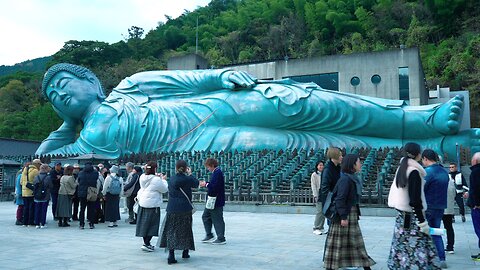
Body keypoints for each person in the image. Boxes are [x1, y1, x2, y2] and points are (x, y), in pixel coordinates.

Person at [36, 64, 479, 160]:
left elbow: (192, 80)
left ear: (91, 80)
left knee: (305, 102)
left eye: (62, 84)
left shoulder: (131, 86)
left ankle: (415, 117)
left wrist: (223, 75)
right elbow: (45, 154)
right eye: (51, 95)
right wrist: (69, 119)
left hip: (218, 104)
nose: (58, 93)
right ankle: (436, 144)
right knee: (303, 144)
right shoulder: (81, 138)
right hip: (205, 142)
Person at [387, 142, 441, 269]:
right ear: (418, 154)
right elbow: (415, 199)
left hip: (402, 217)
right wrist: (422, 221)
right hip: (411, 218)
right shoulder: (414, 172)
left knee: (402, 247)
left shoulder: (402, 168)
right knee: (414, 249)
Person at [323, 154, 375, 270]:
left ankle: (365, 266)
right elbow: (340, 199)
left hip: (349, 213)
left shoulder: (351, 178)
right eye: (358, 162)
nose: (360, 164)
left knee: (353, 242)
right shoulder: (346, 180)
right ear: (352, 165)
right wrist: (343, 217)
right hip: (345, 214)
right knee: (341, 243)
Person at [160, 160, 199, 264]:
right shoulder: (187, 179)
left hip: (172, 208)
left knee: (171, 231)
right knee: (186, 230)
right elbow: (196, 184)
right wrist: (190, 174)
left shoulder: (172, 178)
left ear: (176, 168)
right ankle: (185, 252)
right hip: (185, 208)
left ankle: (171, 255)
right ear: (186, 168)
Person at [422, 149, 449, 268]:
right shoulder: (444, 171)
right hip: (440, 206)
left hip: (428, 206)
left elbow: (421, 189)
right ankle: (441, 258)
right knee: (436, 232)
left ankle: (426, 259)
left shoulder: (427, 172)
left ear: (425, 159)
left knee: (425, 233)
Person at [135, 161, 168, 252]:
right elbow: (164, 189)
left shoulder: (142, 177)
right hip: (152, 204)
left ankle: (146, 243)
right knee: (152, 225)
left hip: (143, 202)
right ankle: (147, 243)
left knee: (144, 223)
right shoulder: (156, 180)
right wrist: (163, 179)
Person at [200, 158, 226, 245]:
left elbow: (214, 187)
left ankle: (221, 238)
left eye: (208, 167)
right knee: (205, 216)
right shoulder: (216, 172)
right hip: (211, 200)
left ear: (212, 165)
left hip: (216, 200)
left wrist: (206, 184)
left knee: (217, 219)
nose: (208, 169)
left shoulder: (217, 173)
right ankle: (209, 234)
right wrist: (207, 183)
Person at [320, 148, 343, 214]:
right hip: (331, 201)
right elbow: (325, 188)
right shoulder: (328, 169)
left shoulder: (337, 168)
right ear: (334, 156)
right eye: (340, 155)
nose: (342, 157)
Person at [466, 152, 480, 261]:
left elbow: (476, 189)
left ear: (475, 161)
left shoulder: (475, 172)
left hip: (477, 207)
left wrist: (476, 204)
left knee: (479, 229)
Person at [77, 162, 99, 229]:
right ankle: (91, 223)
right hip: (92, 192)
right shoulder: (95, 173)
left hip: (82, 192)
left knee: (82, 209)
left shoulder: (81, 173)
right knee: (91, 209)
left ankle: (81, 224)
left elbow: (78, 181)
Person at [21, 158, 41, 226]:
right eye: (39, 164)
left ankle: (24, 222)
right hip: (31, 192)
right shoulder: (35, 171)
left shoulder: (25, 170)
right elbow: (38, 181)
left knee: (25, 207)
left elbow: (21, 182)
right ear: (37, 164)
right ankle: (30, 222)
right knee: (31, 207)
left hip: (24, 192)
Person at [442, 164, 457, 254]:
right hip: (448, 207)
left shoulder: (434, 177)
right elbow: (453, 193)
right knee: (449, 227)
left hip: (438, 207)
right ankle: (450, 247)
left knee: (434, 227)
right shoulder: (450, 179)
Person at [33, 164, 53, 228]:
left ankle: (37, 223)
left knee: (37, 210)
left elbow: (34, 185)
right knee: (43, 210)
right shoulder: (48, 177)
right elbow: (51, 186)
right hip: (45, 196)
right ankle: (42, 223)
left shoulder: (36, 177)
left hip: (37, 196)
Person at [311, 160, 326, 235]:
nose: (321, 166)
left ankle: (321, 227)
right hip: (318, 194)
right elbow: (313, 186)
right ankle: (316, 227)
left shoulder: (325, 174)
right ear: (317, 166)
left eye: (322, 165)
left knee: (324, 211)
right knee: (319, 211)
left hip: (324, 194)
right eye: (319, 165)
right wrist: (315, 195)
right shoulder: (314, 175)